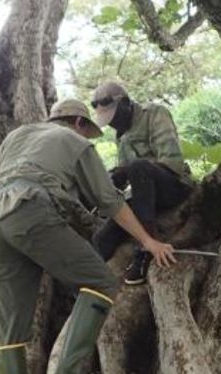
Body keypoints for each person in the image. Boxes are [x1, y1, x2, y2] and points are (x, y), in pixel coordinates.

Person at [0, 98, 176, 374]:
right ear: (79, 123)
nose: (92, 136)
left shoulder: (17, 136)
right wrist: (149, 240)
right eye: (91, 129)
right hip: (32, 213)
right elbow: (111, 202)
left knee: (9, 333)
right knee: (100, 281)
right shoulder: (76, 142)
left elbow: (36, 185)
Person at [89, 82, 195, 285]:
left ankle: (147, 249)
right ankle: (89, 284)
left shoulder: (154, 114)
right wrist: (116, 179)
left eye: (115, 118)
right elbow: (127, 176)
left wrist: (129, 169)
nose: (112, 125)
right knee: (103, 238)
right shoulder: (120, 135)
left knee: (138, 167)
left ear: (126, 103)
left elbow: (172, 163)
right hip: (143, 196)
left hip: (173, 187)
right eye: (108, 122)